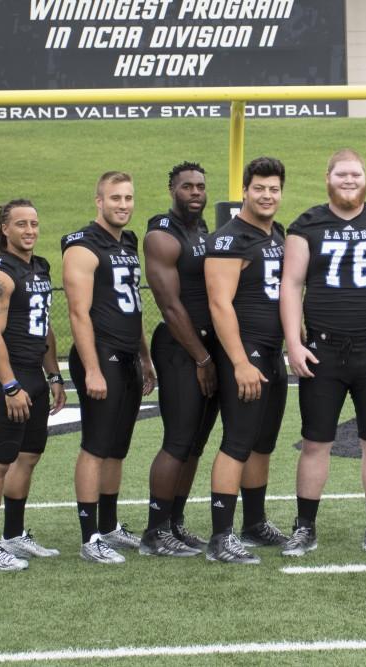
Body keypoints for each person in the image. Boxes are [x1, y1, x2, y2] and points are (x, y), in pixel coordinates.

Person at [280, 148, 366, 558]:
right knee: (314, 441)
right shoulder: (306, 224)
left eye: (355, 173)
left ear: (365, 177)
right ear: (327, 177)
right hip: (322, 351)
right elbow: (291, 284)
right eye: (341, 173)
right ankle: (304, 527)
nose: (349, 179)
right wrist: (294, 342)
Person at [62, 171, 157, 565]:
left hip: (127, 354)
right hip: (99, 355)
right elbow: (78, 313)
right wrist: (92, 369)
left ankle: (110, 525)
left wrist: (146, 357)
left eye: (128, 198)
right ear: (98, 201)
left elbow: (131, 306)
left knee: (117, 448)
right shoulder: (82, 246)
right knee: (95, 447)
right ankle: (89, 537)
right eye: (115, 198)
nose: (123, 204)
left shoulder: (127, 242)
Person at [203, 156, 290, 564]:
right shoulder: (229, 238)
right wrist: (239, 362)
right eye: (260, 188)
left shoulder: (278, 235)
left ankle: (254, 523)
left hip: (273, 352)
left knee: (262, 444)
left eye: (274, 189)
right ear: (244, 191)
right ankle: (222, 536)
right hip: (246, 350)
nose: (267, 195)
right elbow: (220, 304)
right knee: (238, 442)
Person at [0, 199, 67, 571]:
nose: (30, 230)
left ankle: (13, 535)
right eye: (21, 224)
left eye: (34, 224)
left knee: (29, 456)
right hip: (7, 375)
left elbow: (43, 326)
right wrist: (10, 386)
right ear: (5, 229)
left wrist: (55, 374)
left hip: (34, 371)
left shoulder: (39, 267)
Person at [139, 162, 217, 558]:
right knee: (177, 440)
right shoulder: (161, 235)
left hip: (206, 347)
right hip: (180, 349)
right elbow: (170, 306)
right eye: (186, 186)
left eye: (200, 186)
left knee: (196, 445)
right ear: (172, 189)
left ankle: (174, 522)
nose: (194, 192)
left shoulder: (203, 231)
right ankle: (154, 532)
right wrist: (202, 359)